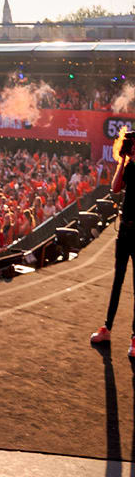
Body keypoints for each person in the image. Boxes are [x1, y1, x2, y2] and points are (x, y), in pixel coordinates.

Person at [93, 129, 135, 357]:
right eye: (132, 144)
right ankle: (107, 328)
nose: (134, 147)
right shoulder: (128, 165)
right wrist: (122, 159)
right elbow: (115, 188)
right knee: (117, 281)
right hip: (125, 233)